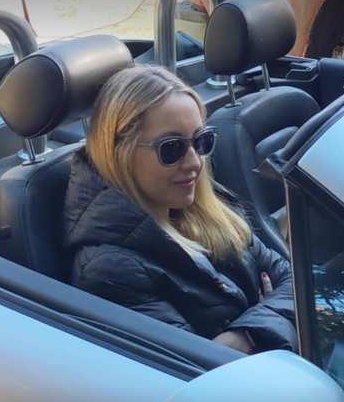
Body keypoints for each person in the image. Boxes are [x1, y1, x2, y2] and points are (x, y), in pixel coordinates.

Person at [62, 65, 297, 354]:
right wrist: (264, 321)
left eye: (201, 141)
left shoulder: (202, 208)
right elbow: (202, 367)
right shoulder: (109, 270)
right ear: (119, 152)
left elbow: (293, 281)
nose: (195, 162)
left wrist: (245, 335)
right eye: (171, 149)